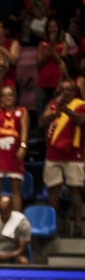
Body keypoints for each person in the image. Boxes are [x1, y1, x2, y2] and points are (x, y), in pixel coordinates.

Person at [40, 79, 85, 236]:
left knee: (75, 189)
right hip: (53, 153)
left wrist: (66, 110)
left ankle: (78, 224)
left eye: (69, 90)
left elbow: (81, 120)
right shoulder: (53, 104)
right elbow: (41, 122)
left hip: (74, 154)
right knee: (53, 189)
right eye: (63, 90)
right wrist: (55, 112)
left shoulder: (80, 104)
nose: (66, 93)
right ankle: (52, 224)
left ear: (74, 91)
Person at [0, 85, 29, 210]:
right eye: (4, 95)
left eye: (10, 95)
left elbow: (24, 130)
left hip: (14, 154)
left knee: (16, 189)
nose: (7, 98)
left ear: (15, 97)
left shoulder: (22, 112)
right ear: (0, 98)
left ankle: (17, 218)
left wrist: (23, 146)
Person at [0, 196, 31, 264]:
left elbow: (21, 249)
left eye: (6, 209)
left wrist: (5, 257)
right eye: (1, 209)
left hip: (14, 256)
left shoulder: (22, 223)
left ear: (11, 208)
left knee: (23, 261)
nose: (4, 212)